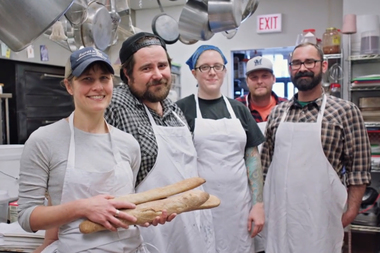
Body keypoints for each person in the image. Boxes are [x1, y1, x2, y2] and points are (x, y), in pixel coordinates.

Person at [18, 47, 172, 253]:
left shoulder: (128, 144)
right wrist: (82, 208)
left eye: (104, 78)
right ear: (69, 86)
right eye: (87, 79)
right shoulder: (44, 140)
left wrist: (147, 215)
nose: (97, 87)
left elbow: (127, 207)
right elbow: (27, 217)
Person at [105, 32, 215, 253]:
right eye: (146, 68)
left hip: (192, 225)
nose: (158, 75)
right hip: (150, 231)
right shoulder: (114, 105)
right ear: (127, 73)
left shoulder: (174, 109)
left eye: (162, 66)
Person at [261, 42, 371, 253]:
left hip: (322, 218)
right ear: (290, 67)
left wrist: (352, 209)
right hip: (280, 217)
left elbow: (359, 167)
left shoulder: (345, 111)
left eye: (310, 62)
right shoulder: (277, 112)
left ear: (323, 66)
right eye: (297, 63)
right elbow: (266, 165)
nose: (303, 68)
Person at [175, 45, 266, 253]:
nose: (212, 72)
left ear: (225, 71)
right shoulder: (181, 109)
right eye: (205, 67)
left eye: (217, 66)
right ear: (194, 73)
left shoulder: (239, 109)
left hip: (239, 208)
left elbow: (252, 159)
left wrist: (258, 204)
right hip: (199, 206)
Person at [236, 56, 287, 124]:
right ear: (247, 82)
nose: (259, 81)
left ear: (274, 79)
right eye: (254, 77)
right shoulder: (236, 108)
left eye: (265, 76)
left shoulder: (287, 107)